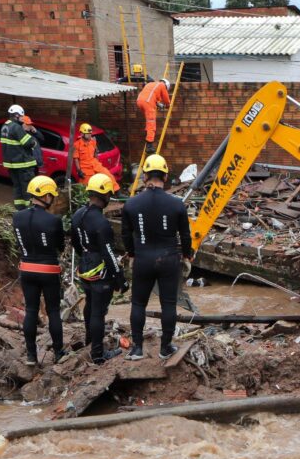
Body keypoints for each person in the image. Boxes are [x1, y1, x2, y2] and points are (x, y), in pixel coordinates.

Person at [121, 154, 192, 360]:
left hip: (143, 258)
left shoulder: (131, 204)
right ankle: (165, 348)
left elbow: (126, 234)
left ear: (145, 177)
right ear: (166, 176)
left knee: (138, 303)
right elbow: (185, 235)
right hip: (169, 259)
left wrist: (132, 253)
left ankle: (137, 349)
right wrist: (187, 255)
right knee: (168, 304)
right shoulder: (176, 204)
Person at [71, 173, 126, 365]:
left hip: (84, 268)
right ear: (105, 196)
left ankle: (89, 341)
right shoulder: (101, 223)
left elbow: (75, 243)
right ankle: (97, 354)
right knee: (98, 312)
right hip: (100, 271)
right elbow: (109, 253)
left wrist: (86, 256)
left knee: (89, 305)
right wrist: (120, 278)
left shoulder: (78, 215)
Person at [13, 175, 66, 366]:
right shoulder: (53, 220)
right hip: (49, 270)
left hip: (26, 269)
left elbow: (19, 243)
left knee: (31, 311)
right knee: (53, 311)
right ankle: (59, 353)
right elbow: (60, 246)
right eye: (51, 195)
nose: (52, 199)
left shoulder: (17, 217)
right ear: (46, 195)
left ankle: (31, 355)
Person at [0, 104, 38, 211]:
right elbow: (28, 142)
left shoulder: (4, 126)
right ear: (16, 115)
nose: (23, 118)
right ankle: (29, 209)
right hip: (23, 164)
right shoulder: (16, 127)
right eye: (22, 115)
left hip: (11, 164)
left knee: (17, 186)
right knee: (27, 187)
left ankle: (19, 208)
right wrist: (34, 142)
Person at [72, 123, 119, 193]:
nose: (90, 135)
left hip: (95, 164)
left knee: (108, 175)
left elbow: (95, 154)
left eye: (90, 133)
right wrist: (79, 171)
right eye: (87, 134)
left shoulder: (93, 142)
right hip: (85, 167)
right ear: (82, 134)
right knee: (86, 185)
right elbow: (76, 158)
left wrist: (98, 162)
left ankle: (117, 191)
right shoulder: (77, 145)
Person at [136, 78, 171, 153]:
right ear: (166, 85)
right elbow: (166, 98)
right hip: (148, 102)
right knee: (151, 124)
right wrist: (168, 105)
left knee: (149, 121)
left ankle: (148, 134)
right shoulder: (162, 85)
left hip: (139, 101)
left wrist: (158, 104)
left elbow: (154, 97)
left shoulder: (151, 84)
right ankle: (149, 146)